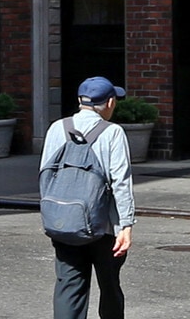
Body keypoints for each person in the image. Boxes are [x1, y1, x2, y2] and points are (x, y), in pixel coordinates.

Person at [40, 76, 135, 319]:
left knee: (69, 287)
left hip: (65, 222)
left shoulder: (57, 128)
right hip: (104, 227)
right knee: (110, 286)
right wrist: (126, 224)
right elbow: (121, 181)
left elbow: (45, 176)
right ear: (110, 102)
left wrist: (55, 213)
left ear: (80, 101)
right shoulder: (113, 132)